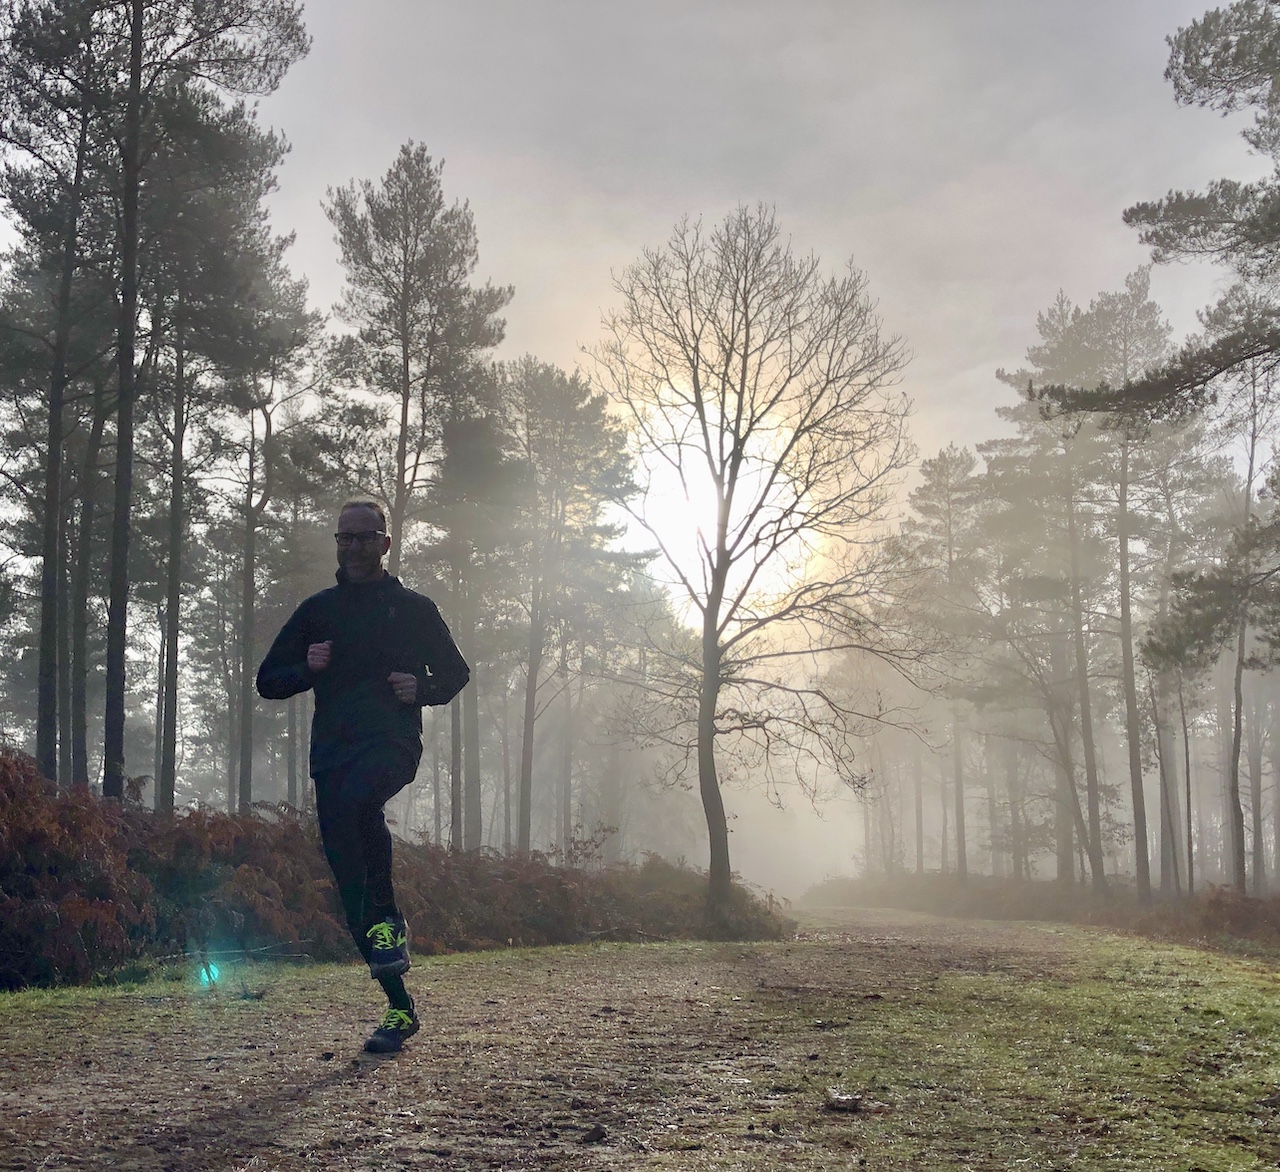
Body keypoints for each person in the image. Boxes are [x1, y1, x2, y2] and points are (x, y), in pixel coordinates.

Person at [256, 500, 469, 1053]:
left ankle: (388, 919)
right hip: (331, 754)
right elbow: (268, 681)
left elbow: (455, 673)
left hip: (392, 747)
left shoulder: (414, 610)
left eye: (364, 537)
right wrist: (309, 667)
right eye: (344, 538)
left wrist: (420, 690)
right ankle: (399, 1007)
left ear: (385, 543)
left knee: (360, 803)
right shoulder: (318, 611)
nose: (353, 547)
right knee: (349, 881)